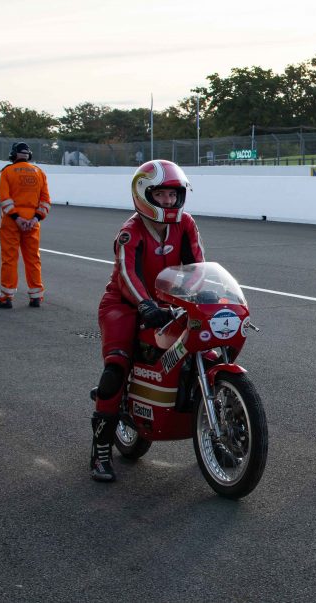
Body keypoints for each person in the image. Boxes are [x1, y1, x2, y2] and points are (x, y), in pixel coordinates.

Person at [89, 160, 205, 482]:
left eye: (173, 195)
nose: (168, 202)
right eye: (161, 194)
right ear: (144, 194)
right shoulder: (131, 231)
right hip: (123, 305)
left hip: (166, 304)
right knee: (117, 366)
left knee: (202, 351)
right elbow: (128, 275)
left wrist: (199, 298)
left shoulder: (186, 224)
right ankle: (100, 450)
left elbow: (197, 267)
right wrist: (146, 306)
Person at [0, 142, 51, 309]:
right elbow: (45, 201)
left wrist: (17, 218)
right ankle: (36, 296)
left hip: (12, 221)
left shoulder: (7, 171)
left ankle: (6, 297)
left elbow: (4, 198)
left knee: (10, 258)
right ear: (29, 155)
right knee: (33, 259)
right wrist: (34, 219)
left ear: (13, 154)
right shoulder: (40, 173)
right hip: (33, 222)